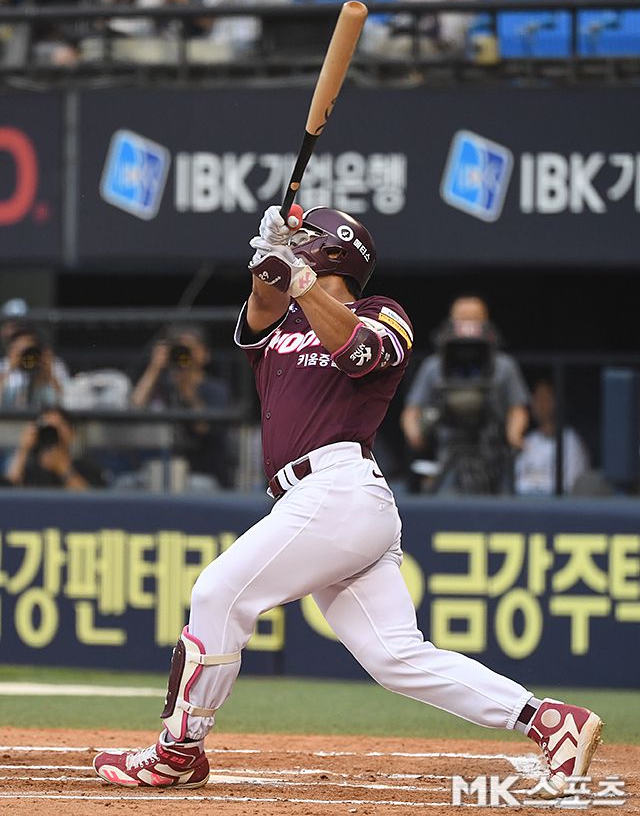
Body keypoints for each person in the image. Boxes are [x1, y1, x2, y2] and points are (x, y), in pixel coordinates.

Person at [93, 204, 602, 797]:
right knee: (396, 658)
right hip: (317, 502)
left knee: (217, 593)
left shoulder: (383, 313)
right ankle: (550, 722)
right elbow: (262, 302)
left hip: (339, 487)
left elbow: (359, 352)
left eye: (307, 238)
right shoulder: (283, 320)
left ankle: (178, 751)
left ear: (334, 252)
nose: (298, 245)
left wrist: (302, 281)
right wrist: (269, 255)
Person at [400, 294, 529, 493]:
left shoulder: (504, 366)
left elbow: (517, 409)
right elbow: (412, 410)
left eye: (474, 318)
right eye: (462, 318)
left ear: (486, 321)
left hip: (493, 457)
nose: (468, 325)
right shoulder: (434, 366)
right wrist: (415, 433)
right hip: (449, 457)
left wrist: (515, 434)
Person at [131, 324, 233, 488]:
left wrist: (187, 389)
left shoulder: (216, 390)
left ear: (204, 354)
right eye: (179, 348)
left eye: (189, 349)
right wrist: (154, 368)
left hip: (201, 473)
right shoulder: (162, 384)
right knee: (125, 484)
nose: (183, 355)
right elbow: (135, 407)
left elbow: (203, 428)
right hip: (157, 469)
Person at [515, 378, 590, 495]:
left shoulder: (570, 441)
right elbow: (516, 481)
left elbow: (572, 486)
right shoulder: (529, 440)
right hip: (525, 502)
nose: (540, 404)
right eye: (536, 399)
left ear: (557, 402)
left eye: (545, 399)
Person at [5, 405, 107, 489]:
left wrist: (63, 469)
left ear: (72, 434)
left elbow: (92, 502)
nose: (53, 432)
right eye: (48, 427)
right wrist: (23, 449)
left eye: (59, 426)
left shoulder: (88, 468)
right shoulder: (28, 468)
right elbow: (9, 491)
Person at [0, 325, 69, 409]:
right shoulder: (3, 366)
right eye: (21, 351)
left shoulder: (53, 364)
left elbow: (67, 402)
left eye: (28, 351)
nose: (25, 357)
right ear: (11, 350)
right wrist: (9, 369)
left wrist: (48, 374)